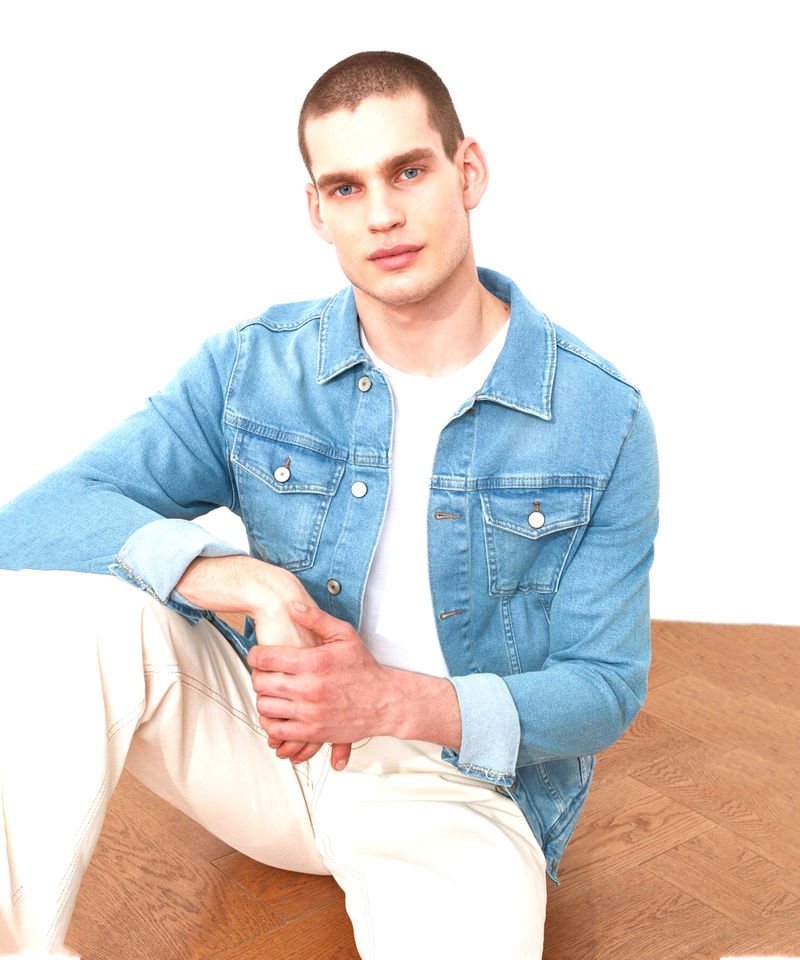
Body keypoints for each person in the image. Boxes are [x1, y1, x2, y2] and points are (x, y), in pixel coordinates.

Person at [0, 51, 659, 959]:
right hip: (273, 744)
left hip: (457, 793)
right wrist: (241, 579)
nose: (381, 214)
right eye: (346, 188)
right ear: (317, 210)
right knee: (61, 610)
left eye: (408, 172)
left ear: (468, 172)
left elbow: (604, 690)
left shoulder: (598, 419)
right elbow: (34, 522)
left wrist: (389, 701)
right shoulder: (254, 368)